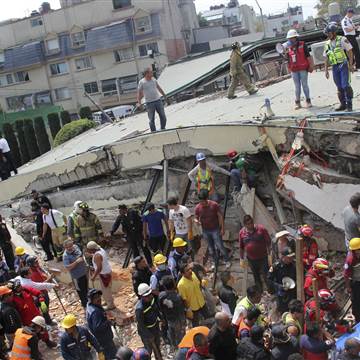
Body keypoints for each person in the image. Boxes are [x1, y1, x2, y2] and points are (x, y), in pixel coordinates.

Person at [195, 189, 231, 269]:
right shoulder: (198, 207)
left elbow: (220, 217)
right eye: (200, 201)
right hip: (205, 231)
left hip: (215, 229)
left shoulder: (214, 205)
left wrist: (222, 228)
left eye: (203, 201)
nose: (202, 203)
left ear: (207, 199)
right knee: (211, 248)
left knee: (220, 246)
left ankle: (226, 260)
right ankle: (215, 261)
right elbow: (196, 217)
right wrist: (197, 221)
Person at [324, 22, 354, 112]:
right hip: (334, 67)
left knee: (345, 85)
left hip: (343, 65)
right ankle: (343, 104)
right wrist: (326, 70)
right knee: (339, 86)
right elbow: (326, 57)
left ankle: (349, 105)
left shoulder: (342, 39)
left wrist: (351, 64)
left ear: (334, 32)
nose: (328, 35)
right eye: (327, 34)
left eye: (329, 33)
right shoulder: (327, 44)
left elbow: (350, 51)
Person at [239, 215, 271, 292]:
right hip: (251, 259)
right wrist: (241, 258)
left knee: (266, 275)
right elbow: (241, 247)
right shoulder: (242, 233)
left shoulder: (261, 229)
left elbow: (269, 243)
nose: (250, 225)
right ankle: (260, 291)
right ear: (245, 225)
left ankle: (271, 290)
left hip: (263, 258)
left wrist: (270, 255)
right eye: (248, 224)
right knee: (256, 276)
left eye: (251, 222)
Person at [285, 29, 313, 109]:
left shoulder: (303, 44)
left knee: (304, 85)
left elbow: (308, 56)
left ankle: (308, 101)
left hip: (303, 68)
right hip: (294, 70)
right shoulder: (288, 47)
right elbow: (287, 59)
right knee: (297, 86)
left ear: (296, 37)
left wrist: (311, 65)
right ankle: (297, 102)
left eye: (293, 38)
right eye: (290, 38)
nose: (291, 39)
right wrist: (284, 53)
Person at [86, 288, 117, 359]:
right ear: (91, 300)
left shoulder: (90, 306)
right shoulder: (95, 312)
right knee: (112, 356)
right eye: (96, 297)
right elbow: (97, 328)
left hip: (101, 340)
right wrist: (108, 321)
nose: (99, 298)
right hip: (104, 340)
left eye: (99, 296)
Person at [135, 283, 163, 360]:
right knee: (148, 351)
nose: (150, 296)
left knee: (157, 346)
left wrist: (161, 318)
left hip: (155, 328)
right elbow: (141, 325)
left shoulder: (152, 299)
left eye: (150, 294)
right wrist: (149, 335)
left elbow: (156, 309)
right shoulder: (139, 309)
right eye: (147, 296)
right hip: (146, 333)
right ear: (141, 296)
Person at [137, 67, 168, 132]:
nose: (152, 73)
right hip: (149, 103)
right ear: (147, 74)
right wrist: (139, 103)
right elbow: (139, 93)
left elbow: (159, 88)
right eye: (151, 72)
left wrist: (165, 96)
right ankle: (153, 131)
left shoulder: (153, 79)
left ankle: (163, 128)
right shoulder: (142, 82)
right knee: (151, 119)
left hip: (158, 100)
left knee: (163, 116)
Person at [177, 263, 209, 327]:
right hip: (193, 308)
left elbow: (199, 285)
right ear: (183, 274)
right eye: (187, 270)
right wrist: (188, 310)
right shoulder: (181, 285)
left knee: (207, 318)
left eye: (190, 269)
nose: (190, 271)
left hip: (201, 302)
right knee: (196, 324)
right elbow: (184, 299)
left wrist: (203, 283)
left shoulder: (193, 274)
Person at [86, 241, 115, 310]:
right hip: (107, 272)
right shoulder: (101, 250)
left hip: (104, 274)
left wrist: (93, 276)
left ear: (92, 249)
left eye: (89, 250)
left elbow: (99, 268)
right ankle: (107, 301)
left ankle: (110, 305)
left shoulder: (97, 256)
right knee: (106, 289)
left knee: (106, 290)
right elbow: (99, 258)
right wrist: (91, 256)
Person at [158, 276, 186, 348]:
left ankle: (174, 347)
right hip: (178, 320)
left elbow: (160, 308)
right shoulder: (178, 297)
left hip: (169, 319)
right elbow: (181, 311)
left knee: (172, 334)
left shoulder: (161, 296)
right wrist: (183, 323)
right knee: (181, 337)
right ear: (174, 285)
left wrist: (163, 318)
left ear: (164, 286)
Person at [268, 247, 297, 313]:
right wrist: (279, 286)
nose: (291, 258)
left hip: (292, 292)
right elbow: (269, 280)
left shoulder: (294, 265)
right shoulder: (276, 266)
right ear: (283, 257)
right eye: (289, 257)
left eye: (292, 256)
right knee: (282, 309)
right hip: (281, 293)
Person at [63, 239, 89, 308]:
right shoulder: (65, 256)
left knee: (86, 288)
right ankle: (85, 305)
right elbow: (68, 268)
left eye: (71, 245)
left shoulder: (76, 247)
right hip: (77, 277)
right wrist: (76, 262)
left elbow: (81, 254)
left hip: (84, 273)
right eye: (68, 247)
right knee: (81, 291)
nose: (71, 247)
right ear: (65, 247)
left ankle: (89, 302)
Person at [0, 286, 21, 351]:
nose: (12, 295)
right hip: (14, 333)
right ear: (4, 297)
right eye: (9, 294)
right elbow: (12, 325)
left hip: (10, 332)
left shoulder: (3, 306)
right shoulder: (7, 310)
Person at [344, 237, 360, 323]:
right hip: (356, 283)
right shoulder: (350, 259)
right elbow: (346, 275)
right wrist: (348, 287)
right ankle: (358, 320)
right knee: (357, 302)